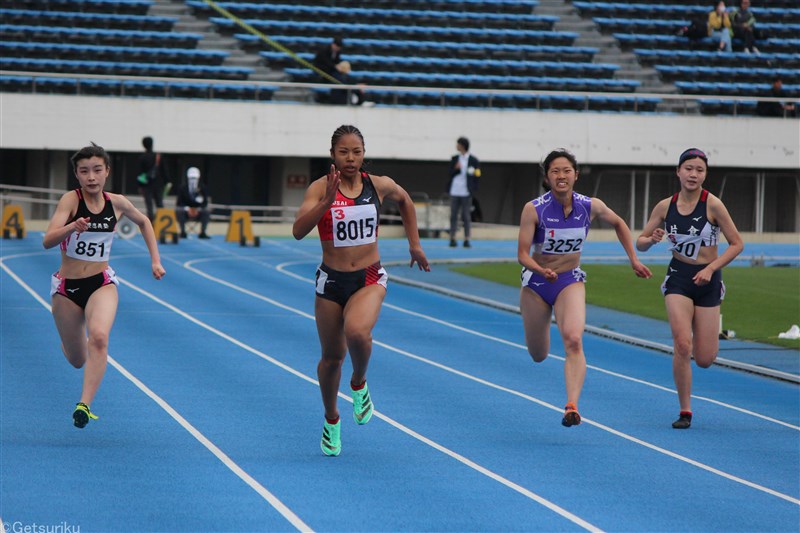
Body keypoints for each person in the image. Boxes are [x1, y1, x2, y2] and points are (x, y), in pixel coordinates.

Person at [292, 124, 430, 456]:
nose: (350, 158)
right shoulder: (319, 188)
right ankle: (331, 419)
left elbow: (406, 201)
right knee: (330, 359)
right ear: (332, 155)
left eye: (356, 152)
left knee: (357, 332)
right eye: (343, 152)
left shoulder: (377, 185)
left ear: (364, 154)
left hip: (368, 276)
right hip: (331, 280)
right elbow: (298, 231)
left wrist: (414, 245)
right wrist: (326, 202)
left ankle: (359, 383)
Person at [517, 149, 651, 427]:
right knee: (538, 354)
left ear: (576, 175)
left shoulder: (590, 206)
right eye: (555, 171)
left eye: (567, 170)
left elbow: (619, 223)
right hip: (538, 284)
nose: (561, 176)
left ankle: (572, 405)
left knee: (574, 339)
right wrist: (541, 270)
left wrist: (634, 259)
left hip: (568, 281)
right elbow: (522, 254)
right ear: (547, 177)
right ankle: (541, 333)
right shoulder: (534, 209)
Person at [43, 143, 166, 428]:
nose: (91, 177)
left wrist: (155, 261)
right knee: (77, 359)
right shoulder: (70, 201)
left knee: (99, 336)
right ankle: (71, 342)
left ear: (107, 172)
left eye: (97, 170)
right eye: (84, 171)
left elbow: (144, 222)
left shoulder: (117, 202)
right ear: (77, 174)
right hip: (66, 289)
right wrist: (71, 227)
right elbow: (47, 240)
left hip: (101, 283)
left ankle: (84, 405)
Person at [637, 148, 743, 429]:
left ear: (705, 175)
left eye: (699, 170)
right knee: (682, 345)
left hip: (708, 280)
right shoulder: (664, 206)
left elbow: (737, 244)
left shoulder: (713, 205)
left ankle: (703, 332)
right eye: (689, 168)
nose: (693, 174)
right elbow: (641, 242)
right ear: (678, 172)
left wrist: (710, 268)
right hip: (679, 278)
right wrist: (652, 239)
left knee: (705, 359)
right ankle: (685, 410)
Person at [447, 136, 481, 248]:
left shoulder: (473, 160)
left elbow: (477, 175)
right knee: (453, 216)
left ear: (463, 145)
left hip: (466, 192)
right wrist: (456, 169)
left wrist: (473, 188)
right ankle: (452, 238)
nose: (456, 146)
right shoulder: (454, 159)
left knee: (466, 216)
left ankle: (467, 239)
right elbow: (449, 173)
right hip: (454, 191)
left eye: (458, 144)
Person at [175, 166, 211, 239]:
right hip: (186, 212)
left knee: (206, 211)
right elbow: (179, 202)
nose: (193, 180)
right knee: (179, 211)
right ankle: (183, 232)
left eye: (195, 178)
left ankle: (203, 232)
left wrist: (197, 209)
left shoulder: (202, 187)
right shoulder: (182, 188)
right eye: (191, 178)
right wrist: (188, 209)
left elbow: (205, 202)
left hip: (199, 212)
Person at [137, 136, 167, 221]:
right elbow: (164, 171)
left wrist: (140, 186)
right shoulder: (158, 157)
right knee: (160, 205)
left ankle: (151, 225)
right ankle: (161, 223)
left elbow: (140, 174)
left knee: (149, 206)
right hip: (158, 184)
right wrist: (166, 182)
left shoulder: (142, 158)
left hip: (146, 185)